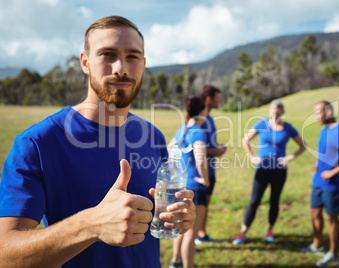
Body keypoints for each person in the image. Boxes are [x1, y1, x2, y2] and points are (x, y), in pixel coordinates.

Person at [0, 16, 195, 268]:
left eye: (133, 56)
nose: (121, 68)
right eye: (108, 54)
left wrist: (176, 216)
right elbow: (6, 255)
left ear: (144, 65)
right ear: (85, 62)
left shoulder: (153, 136)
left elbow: (152, 217)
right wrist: (90, 225)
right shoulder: (37, 144)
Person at [232, 99, 305, 245]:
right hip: (262, 170)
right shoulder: (262, 124)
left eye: (278, 113)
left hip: (279, 171)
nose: (275, 116)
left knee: (274, 200)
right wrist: (251, 156)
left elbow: (303, 146)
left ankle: (270, 229)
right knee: (254, 201)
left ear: (283, 113)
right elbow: (245, 140)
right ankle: (243, 232)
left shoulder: (288, 128)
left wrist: (290, 157)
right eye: (272, 113)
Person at [301, 101, 339, 267]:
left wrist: (332, 172)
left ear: (329, 111)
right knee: (314, 212)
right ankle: (317, 245)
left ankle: (334, 254)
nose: (316, 117)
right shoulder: (324, 130)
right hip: (319, 180)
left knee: (331, 218)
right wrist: (318, 164)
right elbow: (326, 151)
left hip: (334, 184)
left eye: (318, 113)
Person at [167, 97, 209, 268]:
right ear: (201, 112)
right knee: (191, 233)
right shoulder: (198, 131)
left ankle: (175, 261)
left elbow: (168, 150)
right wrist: (205, 180)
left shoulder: (181, 130)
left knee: (180, 228)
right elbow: (201, 160)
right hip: (195, 188)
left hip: (180, 185)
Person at [195, 85, 227, 245]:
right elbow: (195, 146)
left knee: (204, 205)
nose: (219, 101)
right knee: (197, 207)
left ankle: (201, 233)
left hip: (210, 170)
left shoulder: (211, 118)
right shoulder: (198, 120)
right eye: (217, 98)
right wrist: (216, 151)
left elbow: (207, 144)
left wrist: (217, 148)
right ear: (209, 99)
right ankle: (192, 241)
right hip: (199, 173)